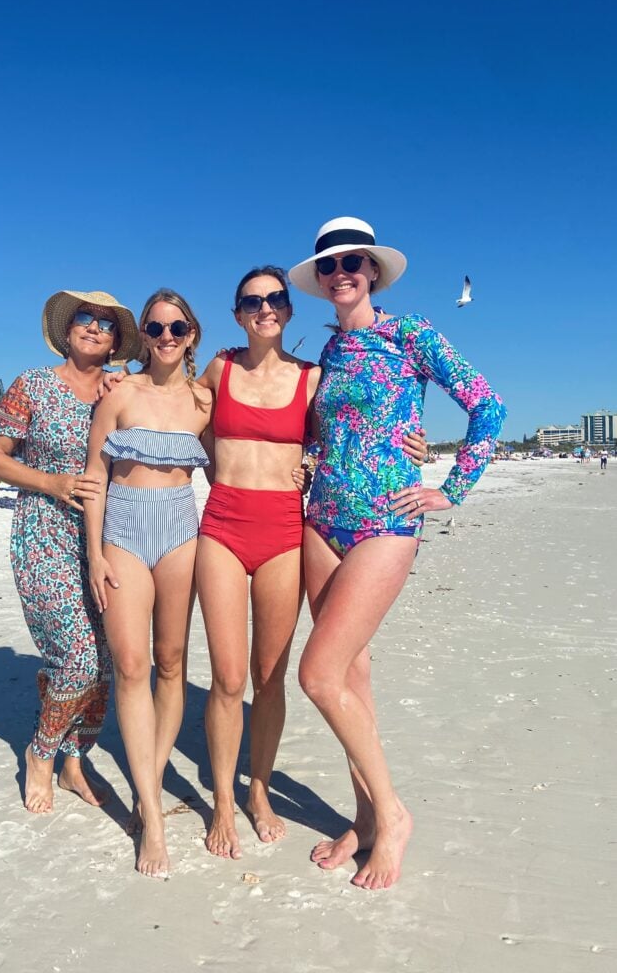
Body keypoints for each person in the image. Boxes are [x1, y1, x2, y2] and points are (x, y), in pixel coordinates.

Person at [288, 216, 506, 889]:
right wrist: (308, 457)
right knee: (351, 678)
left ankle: (394, 814)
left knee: (317, 675)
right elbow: (335, 429)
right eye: (329, 265)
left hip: (386, 518)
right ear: (321, 281)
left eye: (354, 261)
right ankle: (364, 817)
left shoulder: (410, 335)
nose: (342, 272)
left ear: (373, 270)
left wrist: (454, 486)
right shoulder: (329, 354)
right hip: (322, 520)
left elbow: (487, 406)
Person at [195, 266, 427, 860]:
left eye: (275, 298)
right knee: (227, 677)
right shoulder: (220, 367)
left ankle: (260, 792)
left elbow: (351, 431)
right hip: (222, 522)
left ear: (289, 309)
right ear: (237, 310)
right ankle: (222, 799)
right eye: (252, 300)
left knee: (271, 677)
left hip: (285, 529)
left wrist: (412, 440)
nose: (265, 308)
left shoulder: (314, 375)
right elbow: (177, 411)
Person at [0, 290, 143, 814]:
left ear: (117, 341)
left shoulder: (120, 390)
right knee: (76, 659)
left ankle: (76, 760)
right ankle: (41, 754)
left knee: (107, 661)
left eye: (106, 324)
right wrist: (51, 482)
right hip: (43, 533)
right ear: (68, 329)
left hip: (108, 537)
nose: (94, 328)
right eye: (85, 319)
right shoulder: (34, 385)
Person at [84, 289, 211, 878]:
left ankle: (148, 783)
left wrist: (300, 468)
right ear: (144, 336)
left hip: (182, 530)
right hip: (125, 531)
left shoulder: (204, 401)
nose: (165, 336)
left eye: (176, 326)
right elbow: (94, 479)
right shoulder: (119, 394)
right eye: (155, 327)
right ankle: (153, 819)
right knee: (131, 665)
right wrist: (94, 555)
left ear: (191, 334)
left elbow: (243, 453)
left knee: (171, 662)